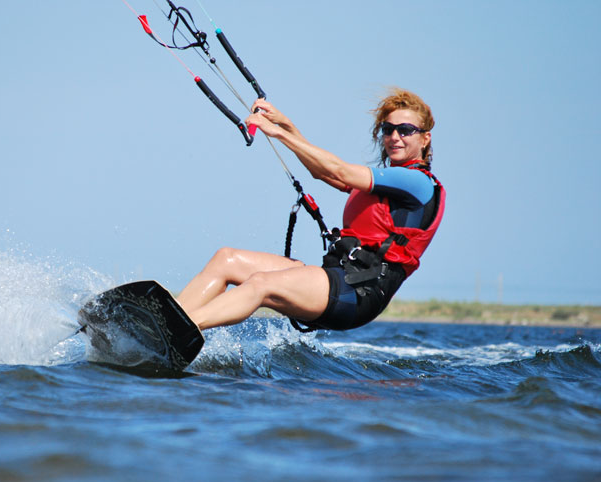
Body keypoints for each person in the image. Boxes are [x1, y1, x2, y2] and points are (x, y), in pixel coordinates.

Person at [176, 88, 445, 331]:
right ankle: (166, 323)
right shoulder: (388, 184)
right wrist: (288, 127)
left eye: (406, 130)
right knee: (226, 259)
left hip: (360, 293)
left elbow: (337, 169)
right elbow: (321, 172)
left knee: (261, 284)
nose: (395, 137)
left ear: (424, 139)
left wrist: (278, 132)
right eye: (388, 130)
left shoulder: (417, 183)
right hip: (337, 278)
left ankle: (184, 329)